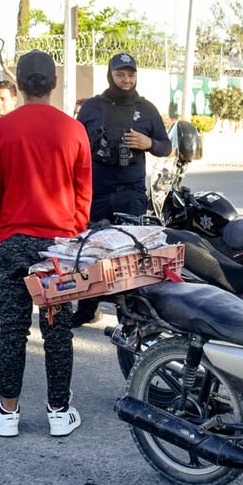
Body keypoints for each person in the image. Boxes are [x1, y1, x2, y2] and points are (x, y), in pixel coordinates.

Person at [0, 50, 92, 437]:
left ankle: (7, 412)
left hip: (12, 238)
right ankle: (59, 411)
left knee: (12, 327)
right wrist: (71, 235)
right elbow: (83, 194)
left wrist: (0, 232)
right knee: (57, 327)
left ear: (19, 84)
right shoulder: (73, 130)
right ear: (54, 83)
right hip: (58, 244)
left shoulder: (0, 130)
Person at [72, 52, 171, 325]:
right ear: (110, 75)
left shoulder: (147, 109)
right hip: (97, 193)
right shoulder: (92, 107)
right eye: (120, 74)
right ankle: (86, 308)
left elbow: (166, 146)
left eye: (130, 74)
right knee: (92, 251)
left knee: (131, 255)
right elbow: (74, 147)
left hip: (131, 194)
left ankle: (130, 316)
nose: (126, 80)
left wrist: (147, 142)